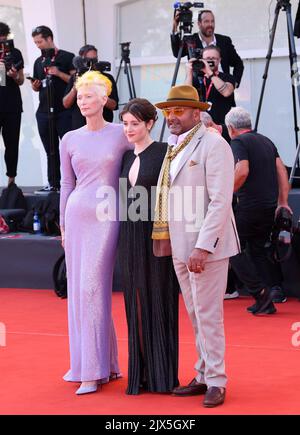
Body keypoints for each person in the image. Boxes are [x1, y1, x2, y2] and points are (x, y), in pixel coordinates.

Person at [152, 85, 240, 408]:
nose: (172, 117)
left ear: (196, 113)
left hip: (206, 247)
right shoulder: (175, 147)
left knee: (208, 314)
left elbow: (220, 201)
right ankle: (203, 372)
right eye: (168, 111)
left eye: (178, 111)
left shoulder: (214, 144)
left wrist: (203, 247)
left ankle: (217, 379)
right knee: (195, 314)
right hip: (180, 244)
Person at [59, 71, 131, 395]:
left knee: (92, 288)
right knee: (80, 291)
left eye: (90, 95)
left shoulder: (121, 133)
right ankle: (99, 364)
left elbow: (146, 152)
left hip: (107, 215)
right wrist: (61, 224)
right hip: (76, 216)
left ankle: (93, 369)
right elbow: (65, 183)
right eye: (81, 96)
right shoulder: (69, 138)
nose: (84, 100)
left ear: (105, 99)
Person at [118, 98, 180, 395]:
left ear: (150, 124)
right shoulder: (126, 158)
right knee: (136, 304)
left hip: (157, 238)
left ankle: (162, 375)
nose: (129, 129)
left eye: (135, 124)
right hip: (130, 238)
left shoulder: (164, 153)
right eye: (126, 123)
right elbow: (123, 204)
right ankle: (140, 374)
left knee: (158, 300)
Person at [225, 107, 292, 313]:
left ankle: (260, 294)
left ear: (231, 128)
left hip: (248, 206)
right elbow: (282, 170)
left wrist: (224, 194)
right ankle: (269, 296)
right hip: (268, 206)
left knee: (231, 249)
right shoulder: (266, 141)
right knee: (257, 251)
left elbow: (242, 170)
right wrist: (283, 201)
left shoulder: (238, 142)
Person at [31, 26, 75, 193]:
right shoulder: (38, 61)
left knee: (69, 149)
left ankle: (72, 183)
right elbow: (38, 85)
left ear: (50, 38)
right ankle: (53, 184)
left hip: (63, 111)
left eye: (40, 41)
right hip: (43, 112)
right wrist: (35, 86)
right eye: (35, 42)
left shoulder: (66, 57)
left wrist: (58, 73)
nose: (38, 45)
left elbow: (76, 79)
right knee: (50, 150)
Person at [171, 9, 244, 88]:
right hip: (199, 89)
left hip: (222, 89)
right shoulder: (191, 40)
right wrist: (175, 27)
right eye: (206, 21)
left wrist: (235, 82)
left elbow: (238, 63)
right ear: (199, 24)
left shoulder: (224, 41)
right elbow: (177, 53)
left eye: (212, 21)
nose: (210, 24)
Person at [63, 44, 119, 129]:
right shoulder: (76, 77)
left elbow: (113, 105)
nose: (92, 64)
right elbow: (66, 104)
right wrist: (75, 87)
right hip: (80, 126)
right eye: (89, 60)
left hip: (103, 127)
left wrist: (99, 91)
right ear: (81, 61)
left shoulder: (106, 78)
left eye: (95, 60)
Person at [185, 45, 235, 131]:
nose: (210, 61)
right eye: (207, 58)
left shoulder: (227, 77)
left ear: (219, 60)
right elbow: (186, 96)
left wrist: (209, 72)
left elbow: (226, 92)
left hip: (222, 127)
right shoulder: (197, 78)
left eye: (213, 58)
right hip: (200, 128)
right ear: (202, 60)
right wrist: (189, 73)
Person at [0, 22, 24, 186]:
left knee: (12, 144)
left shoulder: (15, 53)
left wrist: (14, 75)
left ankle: (11, 181)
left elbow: (21, 80)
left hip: (11, 105)